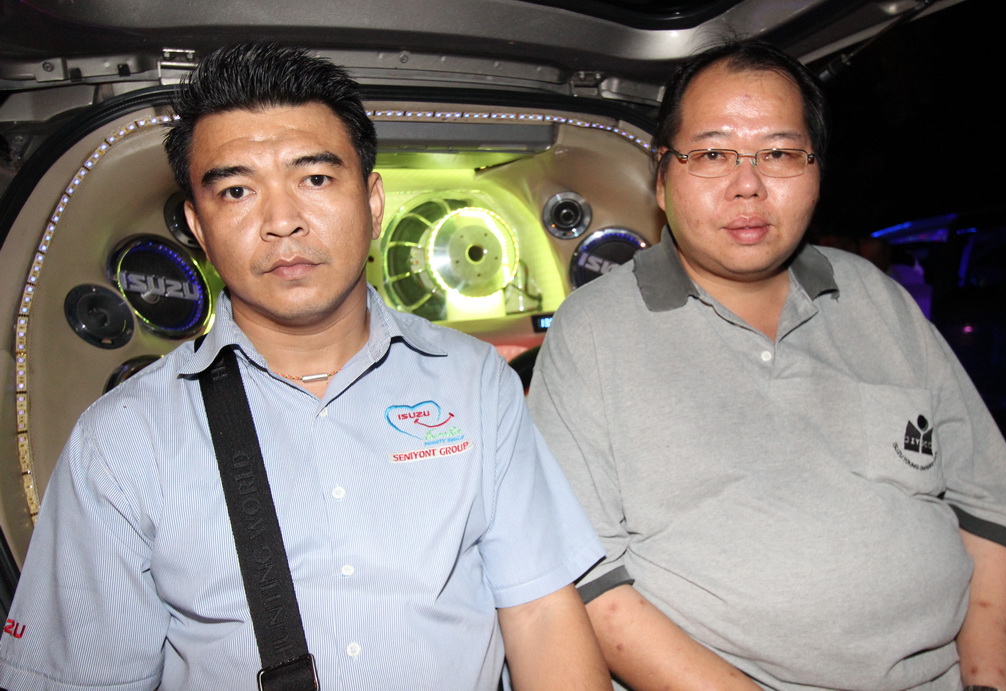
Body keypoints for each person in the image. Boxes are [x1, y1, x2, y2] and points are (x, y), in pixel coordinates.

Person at [0, 43, 609, 690]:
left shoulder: (474, 381)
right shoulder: (123, 438)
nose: (282, 222)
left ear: (372, 202)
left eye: (315, 179)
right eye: (237, 190)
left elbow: (541, 613)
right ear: (199, 228)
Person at [528, 39, 1006, 691]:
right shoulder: (594, 331)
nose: (748, 184)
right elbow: (589, 578)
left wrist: (989, 683)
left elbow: (989, 507)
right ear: (662, 177)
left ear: (815, 171)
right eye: (712, 154)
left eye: (778, 153)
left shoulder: (874, 296)